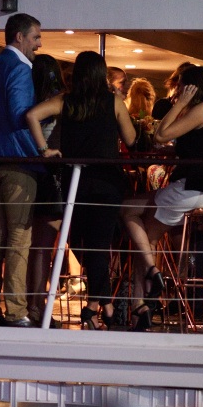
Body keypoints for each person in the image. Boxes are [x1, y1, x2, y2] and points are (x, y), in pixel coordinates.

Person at [27, 51, 136, 330]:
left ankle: (97, 306)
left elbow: (32, 115)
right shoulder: (113, 101)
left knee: (81, 243)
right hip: (107, 182)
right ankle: (101, 305)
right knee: (98, 245)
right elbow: (131, 138)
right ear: (101, 74)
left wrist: (45, 150)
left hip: (75, 181)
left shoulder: (67, 100)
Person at [121, 65, 203, 331]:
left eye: (180, 85)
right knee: (145, 234)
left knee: (129, 213)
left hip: (189, 190)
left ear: (191, 87)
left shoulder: (201, 108)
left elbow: (160, 135)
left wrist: (179, 104)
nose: (177, 90)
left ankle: (149, 281)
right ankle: (140, 306)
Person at [0, 13, 59, 327]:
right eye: (36, 37)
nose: (39, 44)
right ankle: (16, 311)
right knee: (19, 237)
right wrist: (43, 147)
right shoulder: (21, 68)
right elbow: (22, 114)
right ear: (19, 37)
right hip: (18, 161)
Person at [26, 54, 67, 328]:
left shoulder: (24, 98)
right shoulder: (58, 100)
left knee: (26, 245)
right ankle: (38, 306)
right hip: (51, 175)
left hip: (26, 172)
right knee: (42, 246)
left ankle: (26, 304)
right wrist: (46, 150)